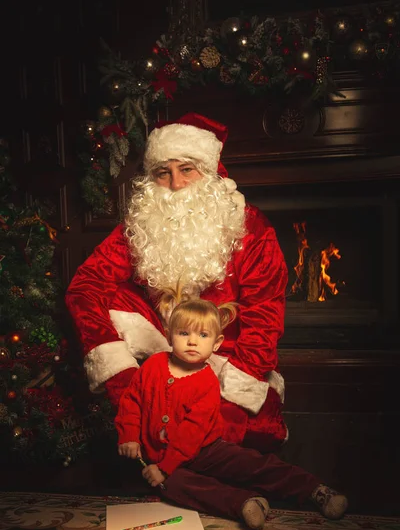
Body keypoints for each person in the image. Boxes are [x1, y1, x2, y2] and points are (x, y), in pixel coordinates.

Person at [65, 112, 289, 453]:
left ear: (210, 173)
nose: (175, 183)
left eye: (187, 169)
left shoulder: (251, 228)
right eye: (162, 173)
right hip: (161, 360)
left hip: (224, 359)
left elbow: (265, 317)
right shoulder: (142, 224)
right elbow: (86, 286)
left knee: (236, 437)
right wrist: (120, 375)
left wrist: (228, 400)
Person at [115, 294, 348, 529]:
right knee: (172, 485)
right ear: (169, 336)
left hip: (204, 448)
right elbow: (132, 401)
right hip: (160, 455)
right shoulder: (153, 365)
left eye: (202, 335)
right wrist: (130, 436)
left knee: (250, 464)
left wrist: (165, 467)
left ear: (216, 344)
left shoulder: (207, 382)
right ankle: (245, 504)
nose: (192, 342)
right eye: (184, 333)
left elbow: (192, 432)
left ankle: (313, 489)